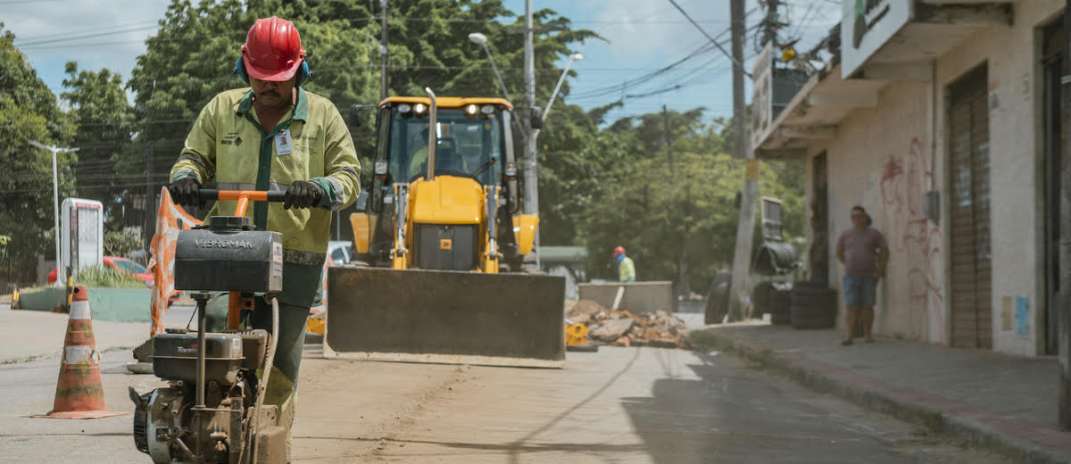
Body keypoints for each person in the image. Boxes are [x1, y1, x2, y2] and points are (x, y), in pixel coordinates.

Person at [166, 16, 360, 455]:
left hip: (294, 258)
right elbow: (191, 157)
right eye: (260, 77)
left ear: (300, 70)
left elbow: (349, 177)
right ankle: (206, 431)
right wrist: (186, 178)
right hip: (227, 250)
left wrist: (319, 188)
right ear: (244, 67)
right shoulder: (221, 110)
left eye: (279, 79)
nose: (268, 86)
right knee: (212, 337)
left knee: (280, 362)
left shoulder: (324, 116)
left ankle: (271, 446)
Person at [835, 206, 888, 345]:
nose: (857, 219)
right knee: (851, 306)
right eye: (854, 217)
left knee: (868, 306)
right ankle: (849, 336)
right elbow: (839, 252)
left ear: (865, 217)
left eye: (859, 216)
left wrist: (880, 270)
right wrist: (848, 263)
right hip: (851, 276)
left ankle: (868, 335)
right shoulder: (846, 234)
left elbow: (884, 251)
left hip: (869, 276)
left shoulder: (874, 234)